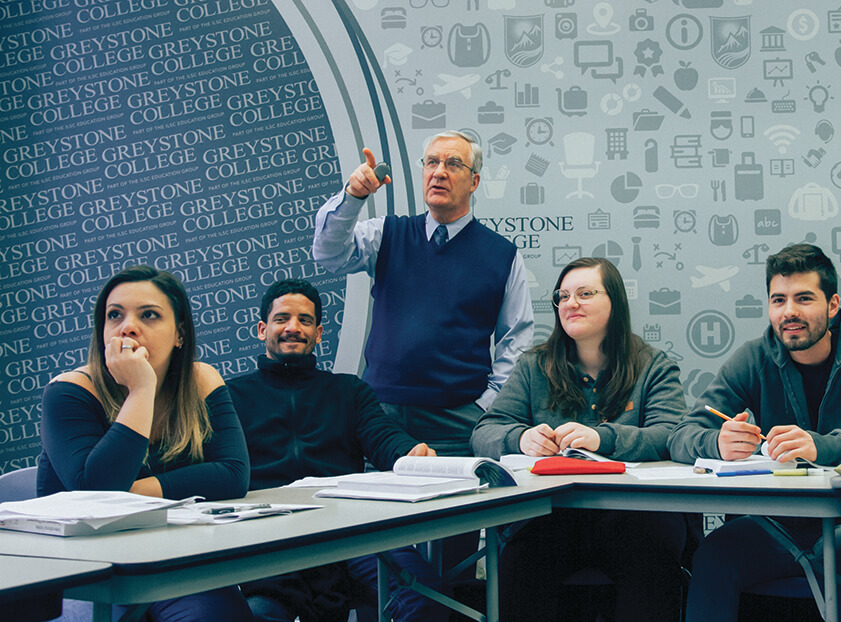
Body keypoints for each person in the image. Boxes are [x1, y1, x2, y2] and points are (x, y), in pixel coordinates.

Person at [668, 243, 841, 621]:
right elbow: (682, 434)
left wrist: (822, 446)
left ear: (832, 305)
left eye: (804, 298)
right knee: (713, 555)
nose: (789, 312)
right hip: (771, 522)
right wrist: (717, 442)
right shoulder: (752, 357)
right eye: (778, 300)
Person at [471, 257, 692, 621]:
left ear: (615, 302)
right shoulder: (534, 366)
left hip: (635, 515)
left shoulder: (653, 365)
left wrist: (602, 437)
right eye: (563, 295)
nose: (570, 303)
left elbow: (671, 434)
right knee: (521, 562)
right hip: (552, 516)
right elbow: (485, 433)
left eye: (585, 293)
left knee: (652, 557)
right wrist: (521, 438)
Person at [37, 265, 252, 621]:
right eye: (114, 315)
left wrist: (131, 493)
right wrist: (141, 390)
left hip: (175, 563)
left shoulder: (201, 380)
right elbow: (97, 489)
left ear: (179, 333)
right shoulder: (69, 391)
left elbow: (232, 474)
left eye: (149, 315)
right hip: (85, 572)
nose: (128, 327)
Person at [227, 279, 446, 622]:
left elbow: (383, 436)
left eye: (306, 320)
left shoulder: (349, 390)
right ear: (261, 329)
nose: (293, 328)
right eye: (282, 318)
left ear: (318, 333)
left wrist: (409, 453)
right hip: (265, 541)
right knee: (259, 615)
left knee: (426, 597)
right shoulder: (228, 398)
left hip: (352, 534)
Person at [312, 130, 533, 457]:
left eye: (453, 164)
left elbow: (517, 340)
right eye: (431, 162)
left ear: (474, 182)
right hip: (383, 417)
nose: (439, 172)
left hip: (459, 421)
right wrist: (352, 197)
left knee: (460, 507)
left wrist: (485, 407)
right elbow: (328, 254)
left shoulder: (502, 255)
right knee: (383, 509)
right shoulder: (387, 234)